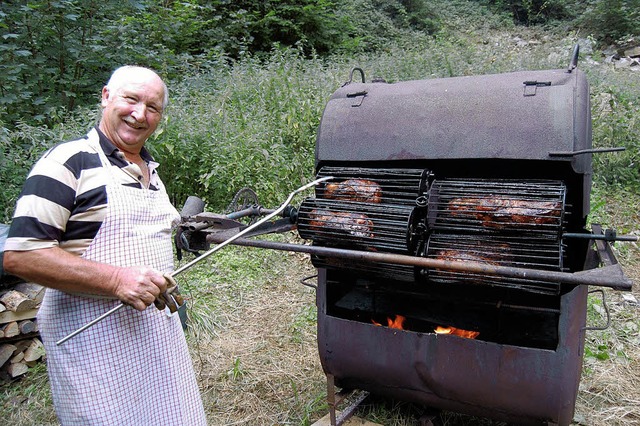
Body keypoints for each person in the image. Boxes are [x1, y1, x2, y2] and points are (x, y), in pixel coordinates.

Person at [3, 66, 207, 425]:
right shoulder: (69, 162)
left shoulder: (151, 173)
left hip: (156, 335)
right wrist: (116, 281)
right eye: (131, 99)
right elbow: (21, 255)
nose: (140, 114)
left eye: (153, 107)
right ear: (106, 96)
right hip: (92, 343)